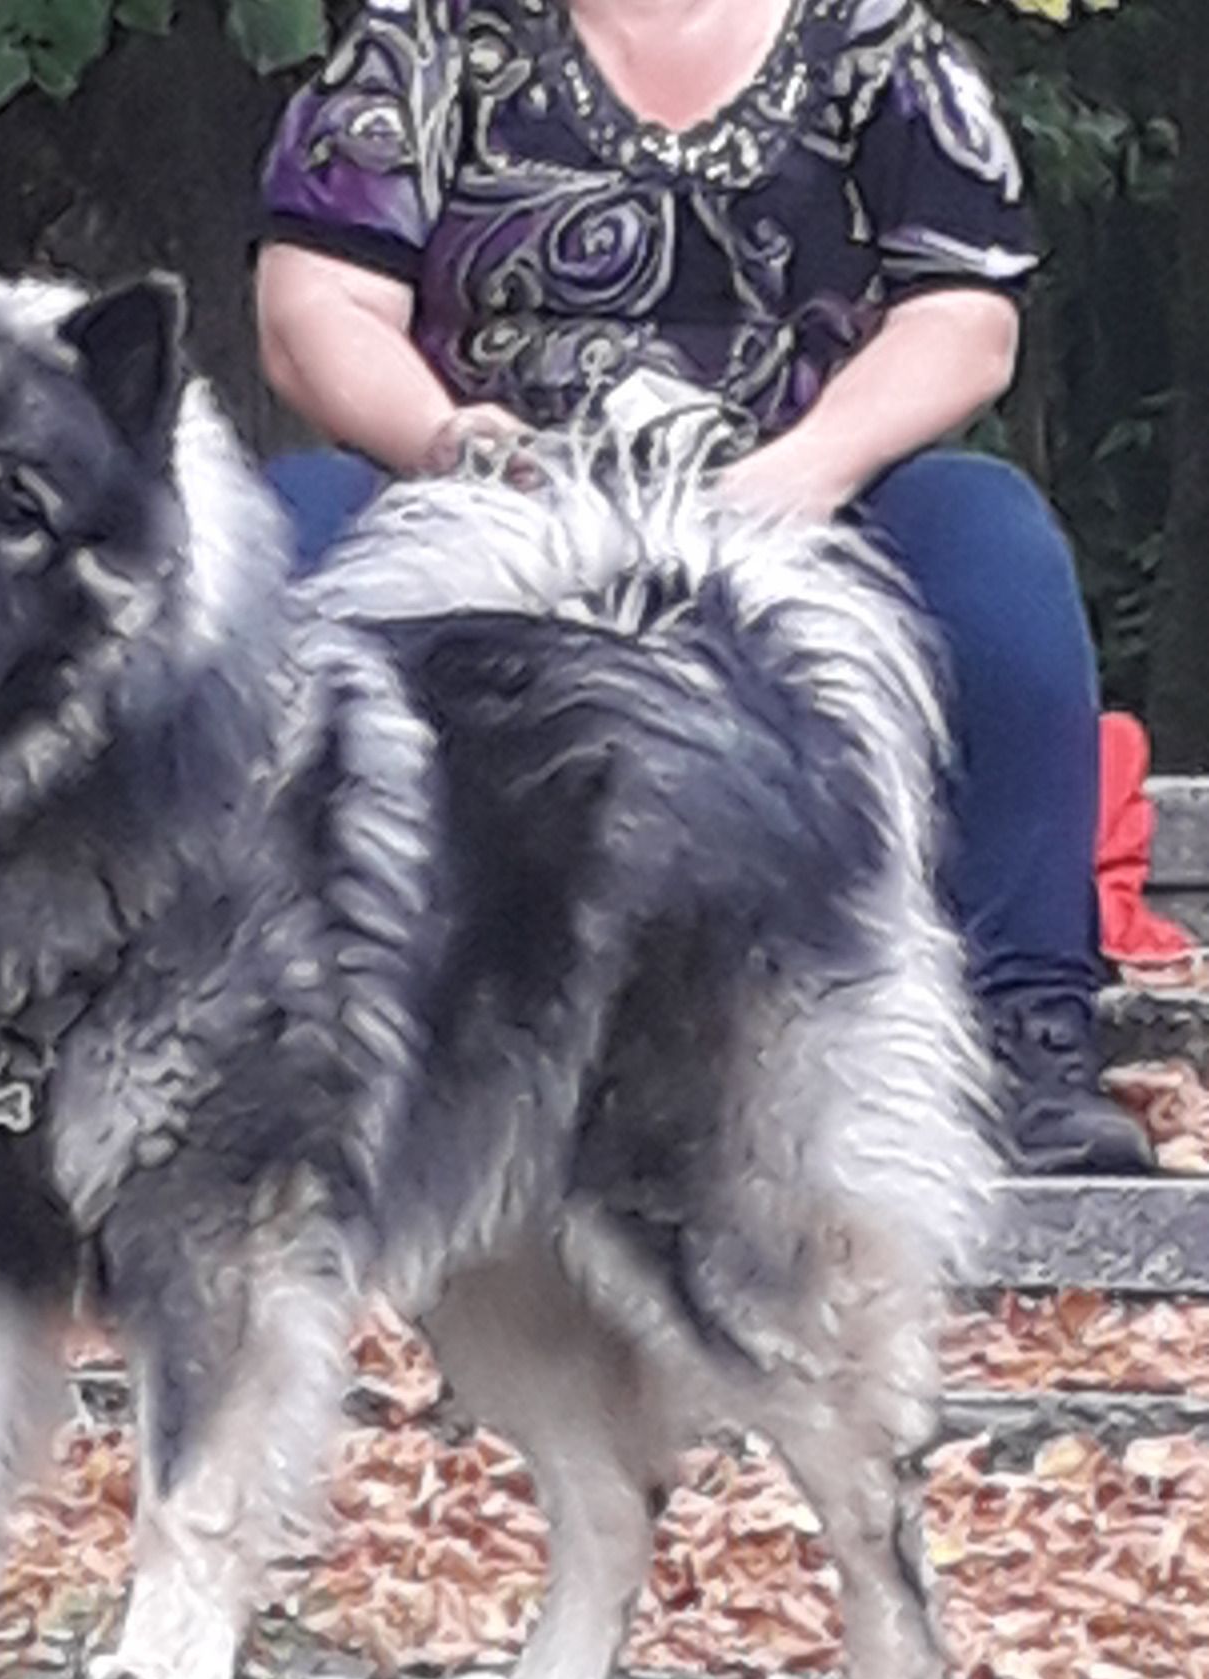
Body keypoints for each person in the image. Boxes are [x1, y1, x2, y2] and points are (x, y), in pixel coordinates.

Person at [254, 0, 1153, 1176]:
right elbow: (312, 311)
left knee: (995, 544)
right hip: (477, 495)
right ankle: (260, 1038)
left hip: (801, 495)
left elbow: (966, 318)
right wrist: (450, 441)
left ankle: (1025, 1035)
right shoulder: (420, 40)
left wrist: (806, 472)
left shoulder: (880, 46)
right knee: (285, 530)